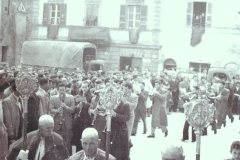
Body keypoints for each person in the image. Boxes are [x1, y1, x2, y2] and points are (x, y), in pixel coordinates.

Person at [49, 83, 75, 153]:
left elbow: (73, 110)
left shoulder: (71, 97)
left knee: (67, 141)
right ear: (58, 90)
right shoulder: (53, 98)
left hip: (67, 123)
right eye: (60, 90)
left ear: (65, 89)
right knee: (57, 141)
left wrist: (66, 107)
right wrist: (57, 110)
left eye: (63, 90)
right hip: (57, 122)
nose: (62, 91)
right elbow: (51, 109)